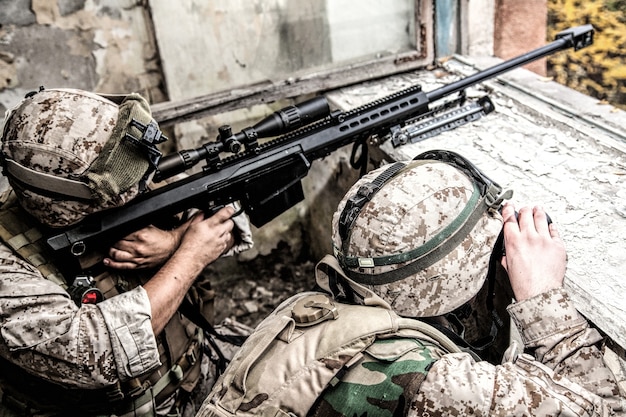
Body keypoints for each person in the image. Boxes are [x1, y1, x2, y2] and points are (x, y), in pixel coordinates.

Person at [197, 150, 626, 417]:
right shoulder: (433, 380)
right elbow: (608, 406)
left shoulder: (311, 313)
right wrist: (543, 301)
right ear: (457, 283)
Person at [0, 87, 253, 416]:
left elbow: (228, 211)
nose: (141, 188)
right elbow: (93, 352)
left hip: (196, 375)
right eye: (123, 188)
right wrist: (190, 256)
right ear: (67, 203)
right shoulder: (8, 266)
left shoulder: (122, 167)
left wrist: (174, 241)